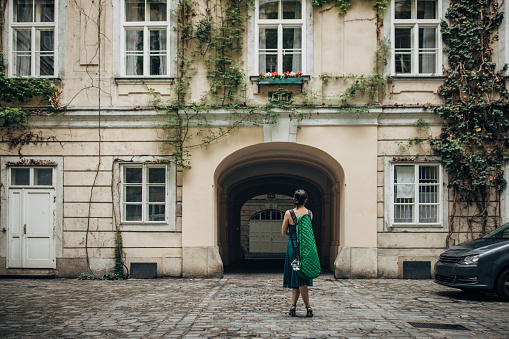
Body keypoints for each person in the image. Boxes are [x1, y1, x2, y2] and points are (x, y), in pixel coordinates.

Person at [281, 189, 313, 317]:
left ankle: (298, 306)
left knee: (298, 278)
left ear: (294, 199)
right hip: (305, 249)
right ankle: (303, 307)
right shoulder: (310, 213)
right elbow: (307, 234)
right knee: (301, 278)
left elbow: (283, 232)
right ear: (306, 200)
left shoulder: (288, 213)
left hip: (292, 249)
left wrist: (292, 236)